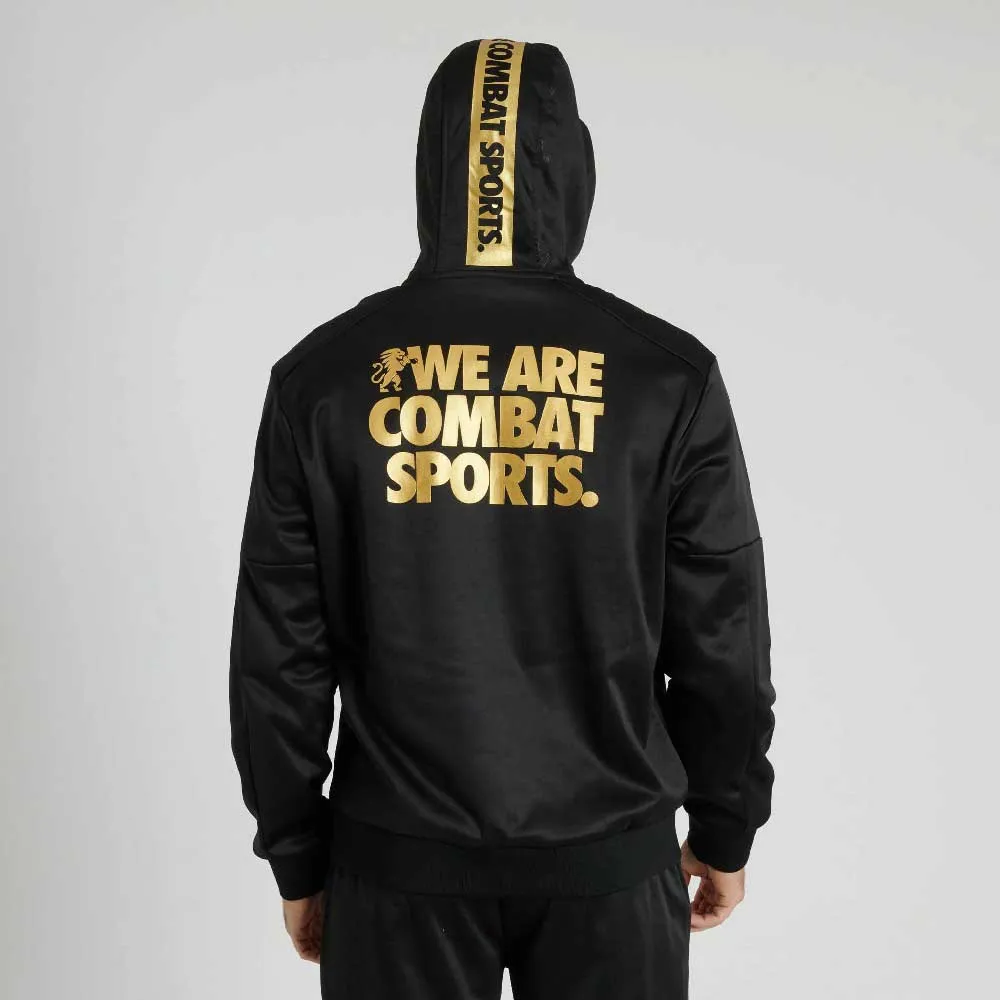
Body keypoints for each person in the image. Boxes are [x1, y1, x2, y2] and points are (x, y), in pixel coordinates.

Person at [230, 37, 775, 1000]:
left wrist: (298, 853)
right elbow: (721, 639)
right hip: (610, 866)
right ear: (574, 168)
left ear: (431, 168)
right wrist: (726, 826)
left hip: (397, 868)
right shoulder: (664, 377)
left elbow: (281, 654)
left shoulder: (323, 378)